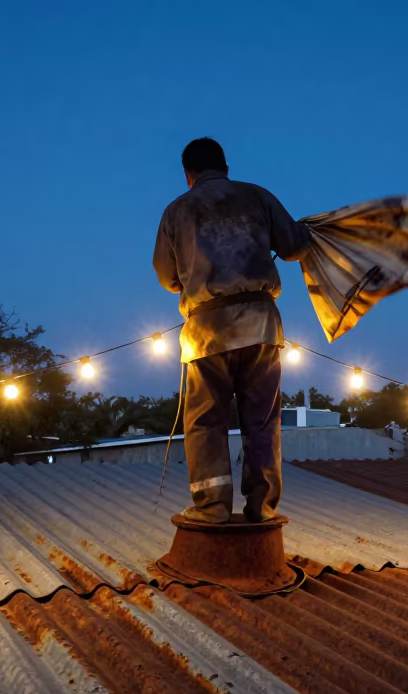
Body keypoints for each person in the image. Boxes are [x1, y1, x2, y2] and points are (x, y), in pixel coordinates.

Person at [153, 138, 310, 524]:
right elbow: (294, 247)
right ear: (225, 165)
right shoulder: (257, 196)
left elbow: (166, 277)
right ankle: (263, 507)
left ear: (188, 175)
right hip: (261, 326)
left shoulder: (177, 210)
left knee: (206, 421)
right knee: (262, 421)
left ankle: (212, 508)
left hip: (207, 332)